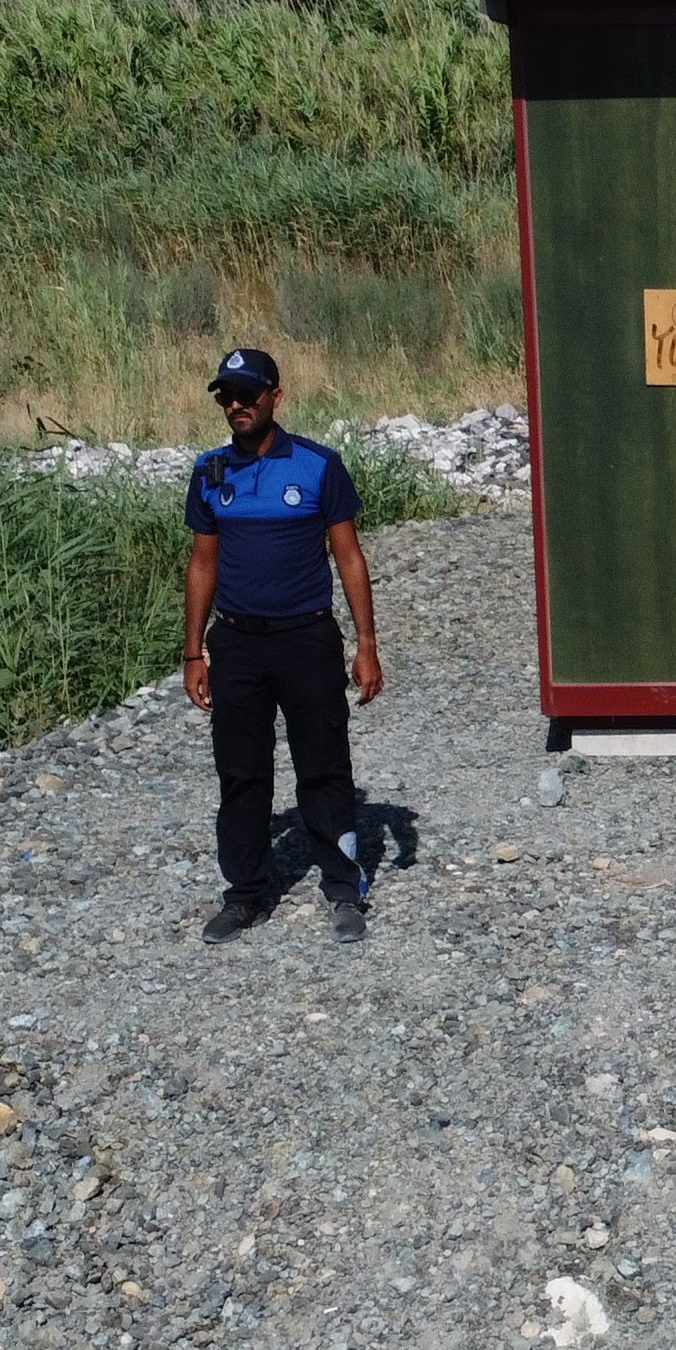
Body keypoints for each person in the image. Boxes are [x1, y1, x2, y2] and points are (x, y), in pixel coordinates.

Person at [182, 348, 384, 942]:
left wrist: (366, 643)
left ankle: (344, 888)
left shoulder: (319, 466)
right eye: (227, 396)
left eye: (249, 394)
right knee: (242, 773)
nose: (237, 405)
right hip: (238, 644)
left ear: (276, 395)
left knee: (324, 767)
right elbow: (201, 563)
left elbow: (348, 556)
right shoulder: (210, 471)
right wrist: (194, 651)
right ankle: (245, 895)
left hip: (307, 638)